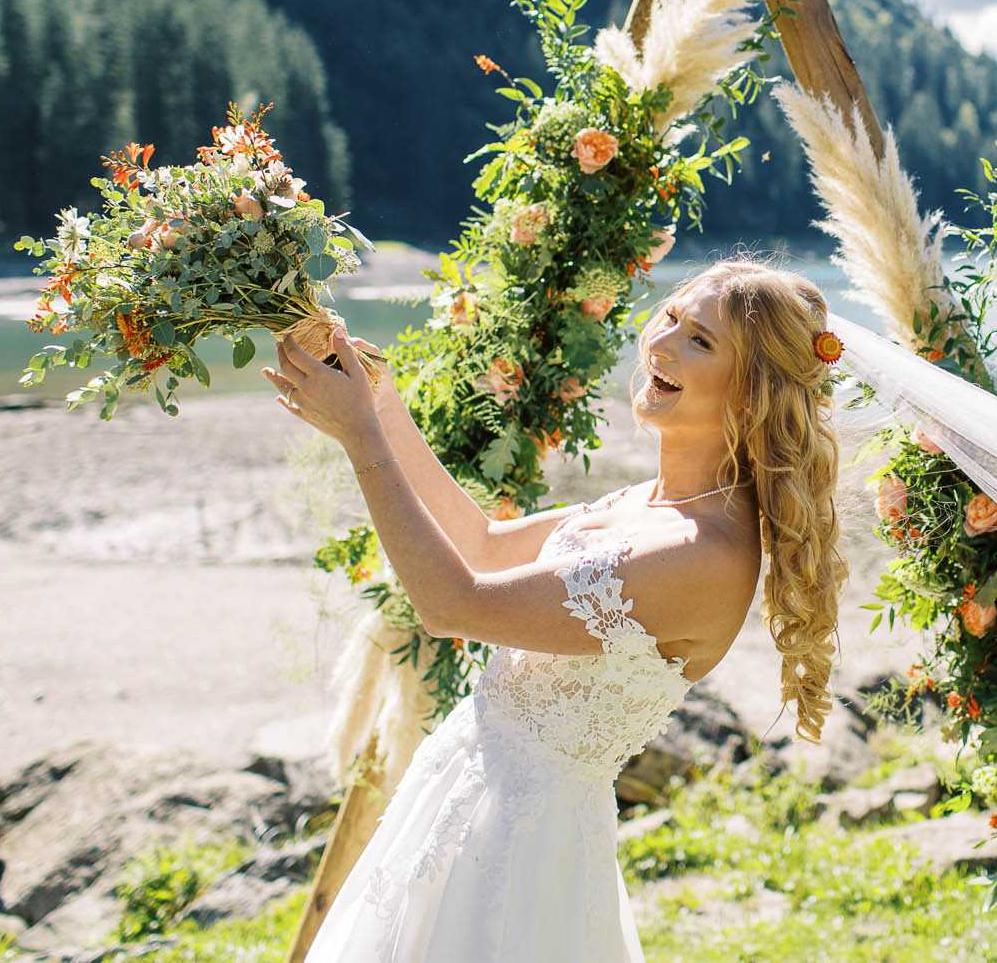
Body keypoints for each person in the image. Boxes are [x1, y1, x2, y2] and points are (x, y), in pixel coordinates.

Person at [265, 257, 850, 961]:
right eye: (670, 318)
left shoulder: (706, 552)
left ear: (752, 392)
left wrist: (361, 438)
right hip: (458, 798)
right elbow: (481, 547)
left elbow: (452, 604)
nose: (660, 346)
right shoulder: (647, 502)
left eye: (700, 341)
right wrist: (383, 408)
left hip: (521, 854)